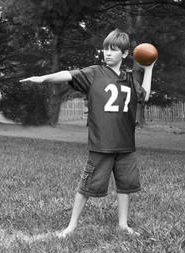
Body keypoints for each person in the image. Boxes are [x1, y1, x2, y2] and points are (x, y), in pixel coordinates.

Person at [20, 29, 156, 238]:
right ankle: (71, 226)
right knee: (86, 186)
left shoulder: (129, 78)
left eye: (113, 50)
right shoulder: (94, 73)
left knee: (125, 186)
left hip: (126, 145)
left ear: (125, 54)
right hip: (101, 144)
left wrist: (149, 68)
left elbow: (144, 96)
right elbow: (68, 74)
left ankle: (123, 224)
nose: (107, 53)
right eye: (105, 49)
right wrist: (43, 78)